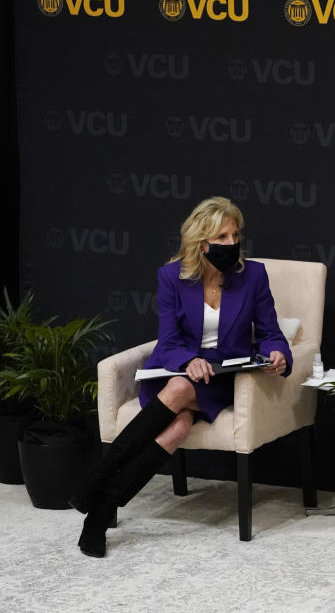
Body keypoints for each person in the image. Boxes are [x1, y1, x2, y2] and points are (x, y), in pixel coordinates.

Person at [69, 196, 293, 558]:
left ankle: (94, 489)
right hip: (176, 368)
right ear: (201, 242)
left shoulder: (252, 275)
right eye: (222, 236)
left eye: (235, 235)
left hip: (221, 377)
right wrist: (189, 360)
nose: (231, 243)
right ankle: (99, 512)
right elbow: (169, 340)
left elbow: (269, 331)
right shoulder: (172, 277)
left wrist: (279, 352)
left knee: (179, 393)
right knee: (177, 427)